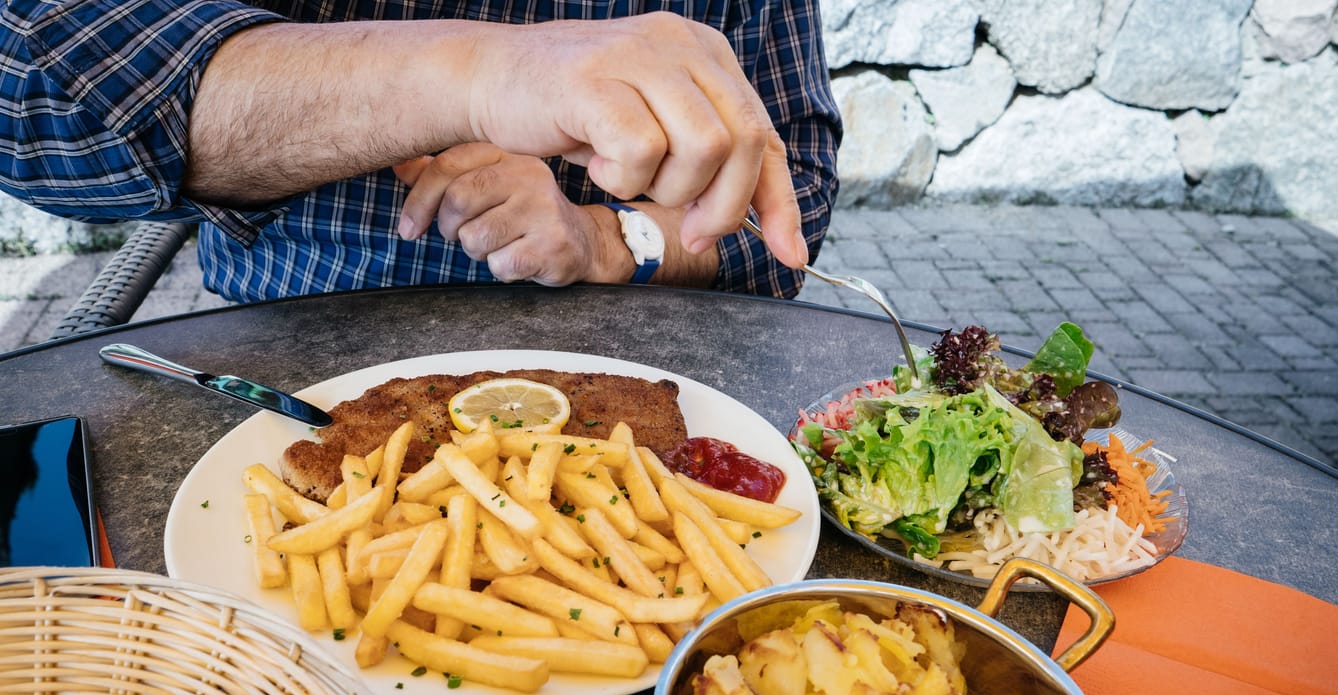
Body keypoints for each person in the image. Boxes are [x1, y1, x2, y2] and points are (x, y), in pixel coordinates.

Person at [0, 2, 840, 301]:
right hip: (294, 354)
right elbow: (48, 92)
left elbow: (789, 206)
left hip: (645, 362)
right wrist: (472, 74)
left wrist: (608, 239)